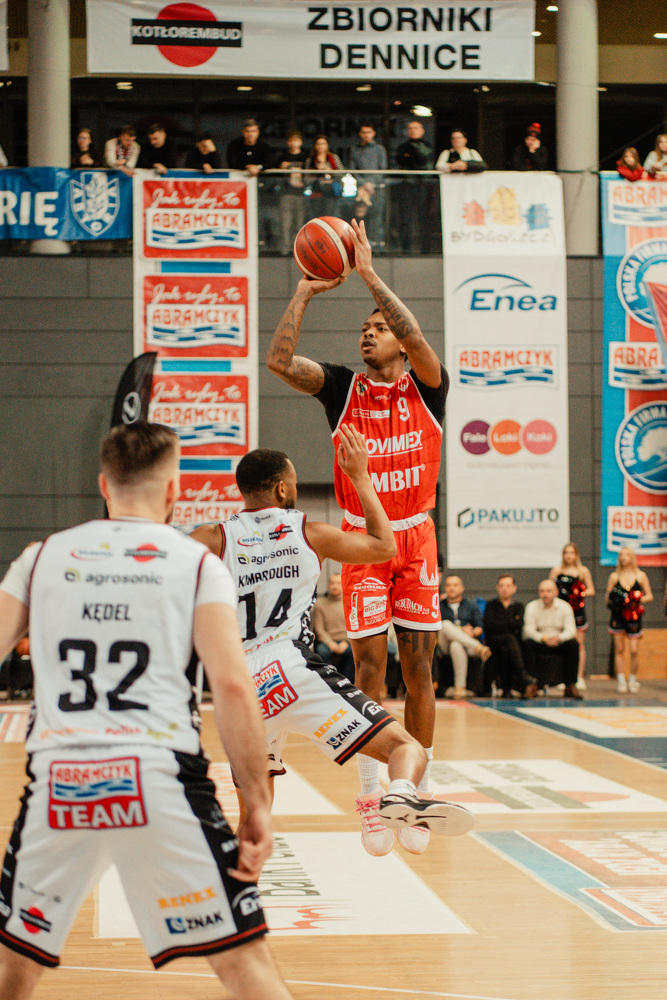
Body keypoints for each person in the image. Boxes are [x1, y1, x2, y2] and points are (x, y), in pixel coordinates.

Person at [0, 422, 294, 1000]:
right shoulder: (195, 563)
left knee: (12, 968)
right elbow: (234, 689)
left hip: (61, 781)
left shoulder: (41, 558)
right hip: (158, 777)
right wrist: (257, 802)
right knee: (244, 965)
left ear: (103, 486)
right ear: (174, 490)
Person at [191, 429, 474, 856]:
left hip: (241, 686)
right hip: (291, 668)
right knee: (406, 749)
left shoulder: (212, 537)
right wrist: (360, 477)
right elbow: (384, 546)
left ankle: (238, 888)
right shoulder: (310, 532)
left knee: (253, 820)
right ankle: (398, 795)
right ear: (282, 488)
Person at [267, 219, 446, 856]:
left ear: (399, 341)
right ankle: (373, 794)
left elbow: (416, 334)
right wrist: (304, 291)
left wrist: (368, 274)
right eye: (363, 328)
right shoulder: (343, 388)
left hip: (417, 536)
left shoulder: (428, 385)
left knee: (419, 667)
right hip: (364, 539)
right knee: (368, 666)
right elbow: (279, 362)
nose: (368, 333)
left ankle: (413, 791)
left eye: (378, 328)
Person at [522, 580, 582, 700]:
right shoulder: (532, 607)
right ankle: (532, 684)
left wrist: (559, 638)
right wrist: (543, 638)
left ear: (556, 592)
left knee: (573, 644)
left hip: (559, 641)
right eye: (542, 591)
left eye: (548, 591)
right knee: (528, 644)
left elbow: (571, 630)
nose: (545, 594)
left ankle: (570, 685)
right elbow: (528, 630)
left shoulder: (565, 607)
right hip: (541, 641)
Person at [606, 546, 654, 693]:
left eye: (627, 554)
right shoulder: (614, 576)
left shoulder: (640, 576)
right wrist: (616, 600)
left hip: (633, 616)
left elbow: (649, 596)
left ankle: (633, 679)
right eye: (621, 554)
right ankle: (621, 680)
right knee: (619, 648)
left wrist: (635, 600)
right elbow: (608, 597)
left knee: (633, 650)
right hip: (618, 615)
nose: (623, 557)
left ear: (632, 557)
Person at [550, 542, 595, 691]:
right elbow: (549, 588)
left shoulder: (583, 571)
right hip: (560, 611)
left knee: (578, 643)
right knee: (561, 642)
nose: (569, 556)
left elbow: (591, 590)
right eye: (566, 553)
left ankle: (579, 677)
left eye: (571, 553)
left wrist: (578, 594)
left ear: (576, 555)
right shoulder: (557, 571)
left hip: (577, 611)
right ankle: (562, 677)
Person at [483, 575, 537, 699]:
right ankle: (523, 676)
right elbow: (490, 625)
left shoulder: (518, 606)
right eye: (501, 585)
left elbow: (519, 624)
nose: (504, 589)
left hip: (511, 645)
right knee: (509, 639)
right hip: (494, 642)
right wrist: (511, 624)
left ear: (514, 588)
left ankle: (507, 689)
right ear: (497, 587)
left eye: (508, 586)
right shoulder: (491, 605)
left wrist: (501, 625)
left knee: (508, 647)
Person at [437, 575, 491, 698]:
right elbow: (437, 628)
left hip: (465, 644)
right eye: (449, 585)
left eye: (455, 585)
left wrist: (472, 633)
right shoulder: (439, 606)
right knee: (445, 624)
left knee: (456, 645)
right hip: (444, 644)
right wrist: (461, 630)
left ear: (462, 588)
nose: (452, 588)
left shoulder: (471, 605)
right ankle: (478, 647)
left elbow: (479, 627)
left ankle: (459, 688)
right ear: (445, 588)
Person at [395, 119, 436, 252]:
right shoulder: (403, 147)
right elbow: (401, 160)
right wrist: (411, 156)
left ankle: (426, 249)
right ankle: (406, 248)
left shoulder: (427, 146)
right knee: (405, 219)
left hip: (424, 187)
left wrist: (412, 155)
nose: (413, 131)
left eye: (416, 128)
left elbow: (423, 160)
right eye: (410, 128)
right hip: (407, 186)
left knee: (424, 219)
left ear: (422, 131)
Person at [349, 122, 388, 247]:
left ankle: (377, 244)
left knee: (376, 216)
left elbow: (383, 168)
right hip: (361, 188)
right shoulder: (355, 149)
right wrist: (364, 183)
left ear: (373, 133)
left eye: (369, 132)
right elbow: (353, 170)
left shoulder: (380, 149)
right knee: (360, 216)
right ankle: (360, 244)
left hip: (376, 188)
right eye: (364, 132)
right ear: (360, 134)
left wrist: (372, 183)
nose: (366, 135)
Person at [312, 572, 355, 682]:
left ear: (343, 585)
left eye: (338, 583)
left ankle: (347, 682)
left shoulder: (350, 603)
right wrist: (330, 643)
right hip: (328, 641)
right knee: (321, 651)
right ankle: (330, 682)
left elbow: (354, 626)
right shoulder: (320, 604)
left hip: (347, 641)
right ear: (328, 585)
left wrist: (346, 642)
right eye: (332, 583)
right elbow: (319, 629)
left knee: (355, 652)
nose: (335, 586)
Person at [275, 128, 307, 254]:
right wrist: (280, 167)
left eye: (296, 140)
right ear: (288, 142)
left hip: (300, 193)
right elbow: (273, 173)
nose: (294, 143)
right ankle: (285, 247)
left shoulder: (305, 157)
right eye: (291, 141)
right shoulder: (283, 157)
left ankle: (297, 248)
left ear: (301, 142)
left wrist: (305, 182)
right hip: (286, 193)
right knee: (285, 223)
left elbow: (310, 174)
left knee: (299, 223)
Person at [304, 135, 344, 218]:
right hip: (316, 192)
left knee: (330, 215)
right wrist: (316, 171)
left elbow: (342, 173)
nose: (320, 146)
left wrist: (330, 171)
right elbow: (306, 178)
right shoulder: (310, 159)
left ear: (327, 145)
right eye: (318, 144)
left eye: (323, 144)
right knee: (317, 216)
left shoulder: (333, 157)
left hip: (330, 192)